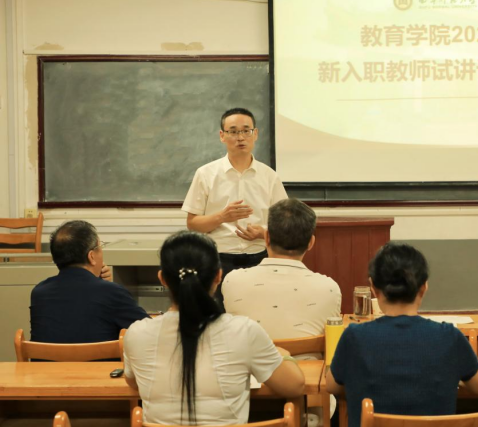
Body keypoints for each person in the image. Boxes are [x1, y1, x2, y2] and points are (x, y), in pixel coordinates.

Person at [123, 231, 305, 425]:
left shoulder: (136, 334)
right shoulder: (243, 332)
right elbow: (294, 386)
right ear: (218, 275)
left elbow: (134, 383)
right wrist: (283, 355)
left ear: (162, 279)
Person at [326, 243, 478, 427]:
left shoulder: (354, 337)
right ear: (424, 287)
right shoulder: (450, 337)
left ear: (373, 287)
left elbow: (332, 385)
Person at [182, 108, 288, 302]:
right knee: (219, 314)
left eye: (246, 131)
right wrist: (222, 217)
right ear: (222, 136)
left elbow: (284, 225)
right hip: (219, 258)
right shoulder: (205, 174)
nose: (240, 137)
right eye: (233, 131)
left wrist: (263, 233)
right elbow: (193, 224)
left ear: (255, 134)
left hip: (260, 258)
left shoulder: (269, 176)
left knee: (258, 310)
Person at [223, 198, 341, 345]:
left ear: (266, 237)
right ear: (311, 243)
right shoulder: (329, 288)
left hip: (250, 361)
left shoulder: (233, 281)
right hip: (307, 361)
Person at [30, 220, 148, 344]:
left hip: (47, 358)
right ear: (91, 256)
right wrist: (107, 287)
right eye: (100, 247)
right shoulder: (112, 292)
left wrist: (102, 283)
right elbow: (150, 333)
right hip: (101, 358)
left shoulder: (39, 293)